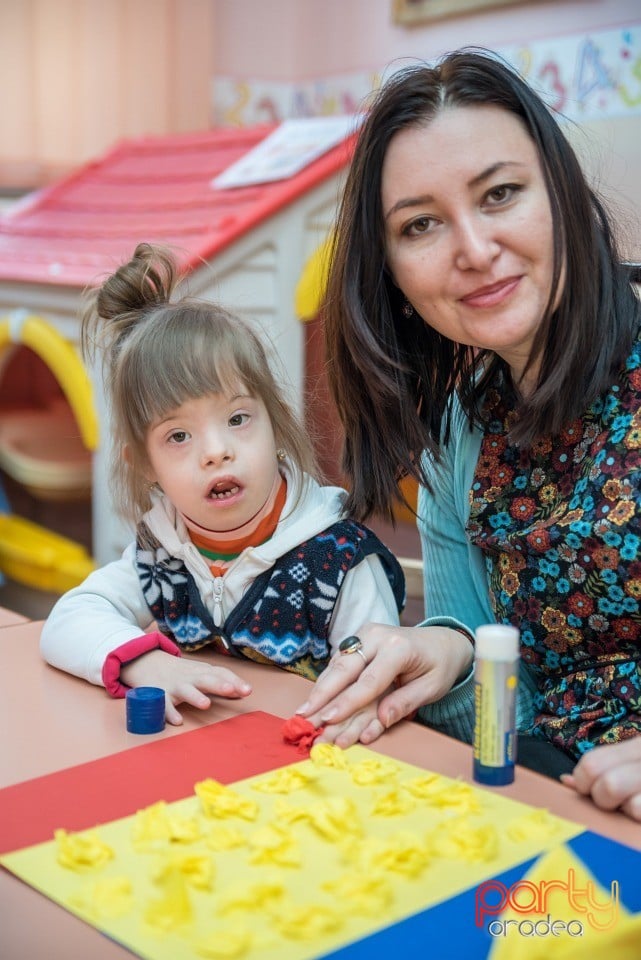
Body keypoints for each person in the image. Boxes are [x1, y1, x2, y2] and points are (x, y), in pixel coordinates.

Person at [297, 49, 641, 819]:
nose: (473, 250)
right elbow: (498, 718)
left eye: (500, 194)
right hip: (550, 816)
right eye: (419, 224)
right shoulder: (461, 426)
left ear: (559, 192)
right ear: (389, 271)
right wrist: (446, 651)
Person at [40, 243, 404, 741]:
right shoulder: (161, 555)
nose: (215, 452)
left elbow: (377, 679)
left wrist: (363, 703)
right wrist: (147, 665)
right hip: (198, 765)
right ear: (145, 465)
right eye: (179, 436)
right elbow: (68, 619)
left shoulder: (338, 560)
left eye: (237, 419)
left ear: (274, 424)